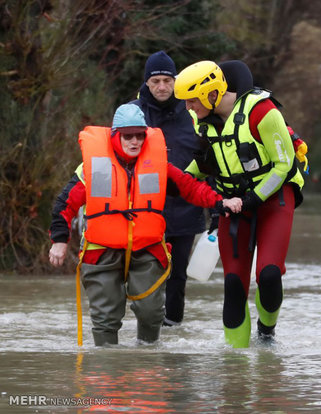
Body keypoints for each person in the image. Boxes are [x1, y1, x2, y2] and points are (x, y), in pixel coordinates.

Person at [48, 103, 242, 346]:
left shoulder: (159, 164)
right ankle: (107, 372)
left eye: (140, 135)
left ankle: (147, 366)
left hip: (147, 248)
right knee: (105, 319)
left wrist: (220, 202)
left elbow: (190, 188)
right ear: (115, 136)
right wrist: (59, 240)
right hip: (102, 251)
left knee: (152, 313)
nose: (135, 141)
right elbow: (64, 205)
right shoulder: (91, 167)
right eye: (128, 136)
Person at [174, 60, 305, 348]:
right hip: (233, 205)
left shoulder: (263, 112)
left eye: (192, 101)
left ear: (211, 94)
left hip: (273, 198)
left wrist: (253, 198)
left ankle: (267, 331)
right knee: (234, 284)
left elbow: (283, 165)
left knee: (268, 274)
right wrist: (180, 180)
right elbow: (206, 160)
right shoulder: (202, 121)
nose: (189, 108)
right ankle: (235, 369)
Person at [130, 50, 210, 327]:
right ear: (147, 84)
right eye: (156, 82)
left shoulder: (194, 112)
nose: (162, 87)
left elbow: (209, 160)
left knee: (177, 275)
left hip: (187, 208)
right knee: (145, 272)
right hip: (143, 209)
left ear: (176, 80)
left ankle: (174, 329)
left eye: (167, 80)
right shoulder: (133, 113)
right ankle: (146, 329)